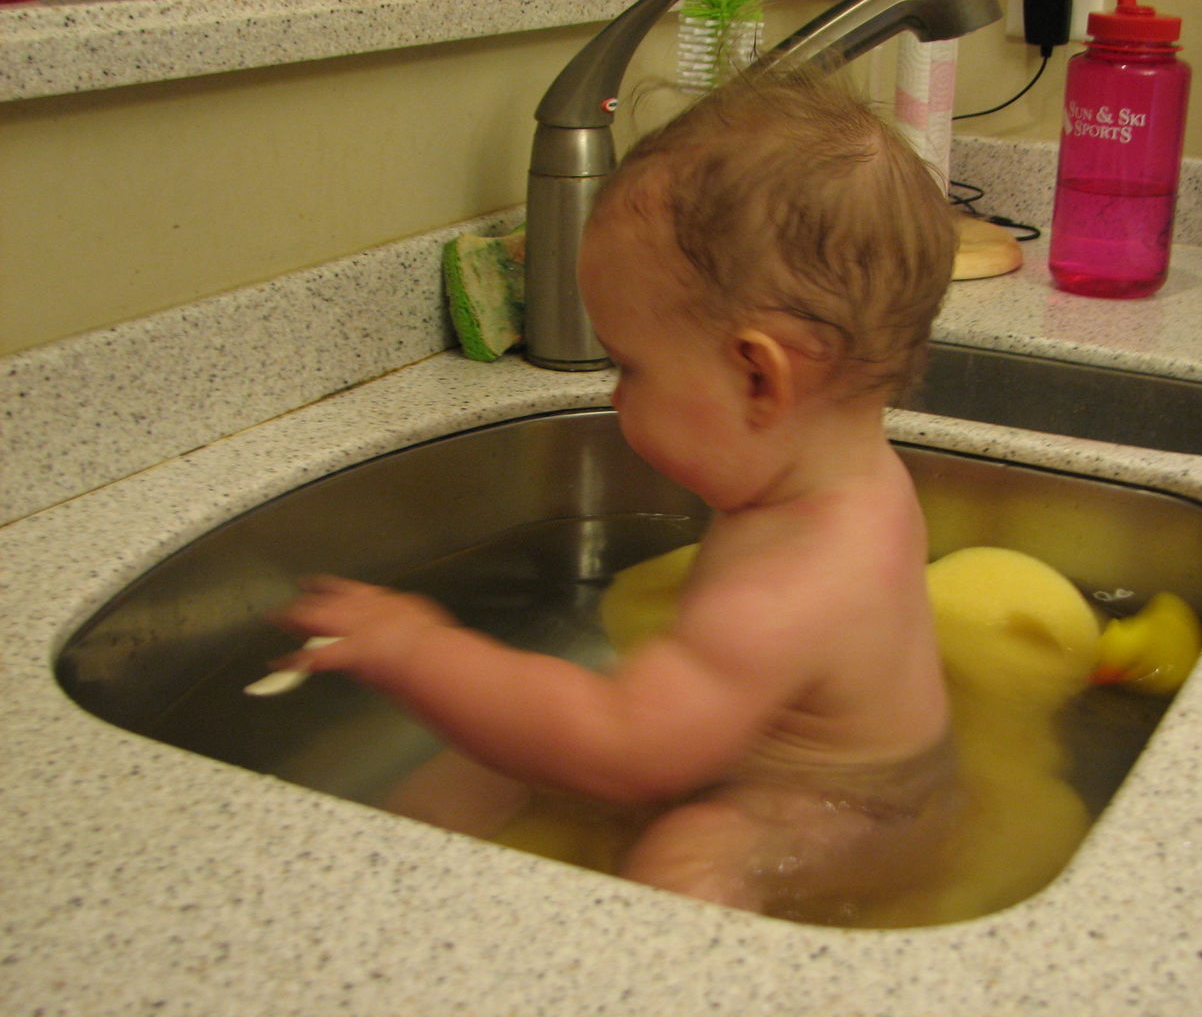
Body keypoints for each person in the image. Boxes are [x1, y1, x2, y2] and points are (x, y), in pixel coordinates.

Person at [273, 70, 962, 921]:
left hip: (853, 817)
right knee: (495, 750)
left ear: (758, 377)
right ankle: (396, 897)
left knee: (686, 860)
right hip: (769, 755)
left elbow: (624, 747)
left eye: (629, 366)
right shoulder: (837, 473)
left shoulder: (788, 585)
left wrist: (415, 649)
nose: (609, 397)